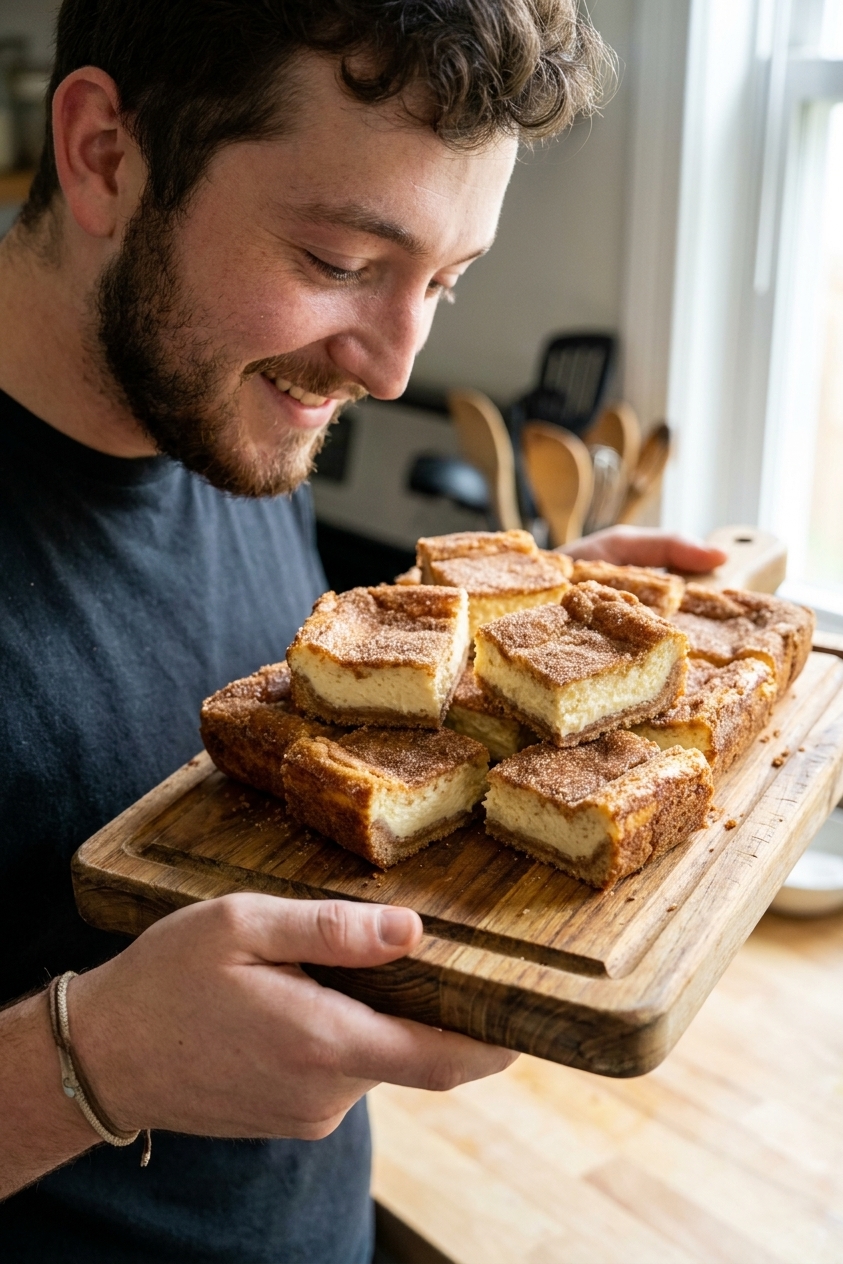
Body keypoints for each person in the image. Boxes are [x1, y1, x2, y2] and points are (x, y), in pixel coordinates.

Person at [0, 2, 726, 1260]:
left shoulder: (218, 402)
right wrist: (92, 1059)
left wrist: (512, 631)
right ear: (106, 153)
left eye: (446, 281)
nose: (393, 367)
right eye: (339, 261)